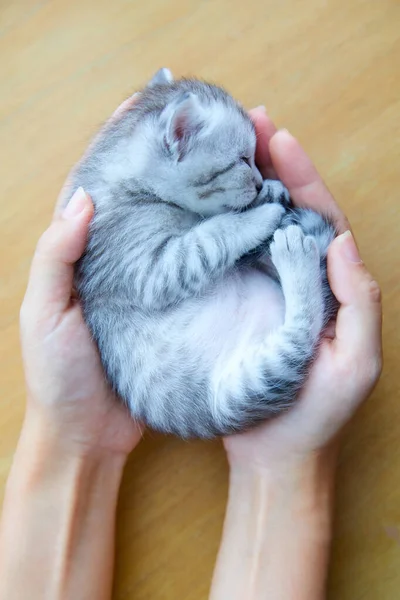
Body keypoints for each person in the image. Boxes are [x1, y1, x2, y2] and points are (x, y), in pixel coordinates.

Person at [0, 100, 382, 600]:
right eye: (238, 164)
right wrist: (254, 220)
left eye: (250, 163)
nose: (249, 176)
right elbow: (166, 277)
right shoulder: (116, 219)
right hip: (208, 374)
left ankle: (298, 289)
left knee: (278, 250)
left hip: (229, 314)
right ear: (175, 137)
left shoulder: (139, 197)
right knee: (248, 378)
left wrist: (73, 438)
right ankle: (303, 311)